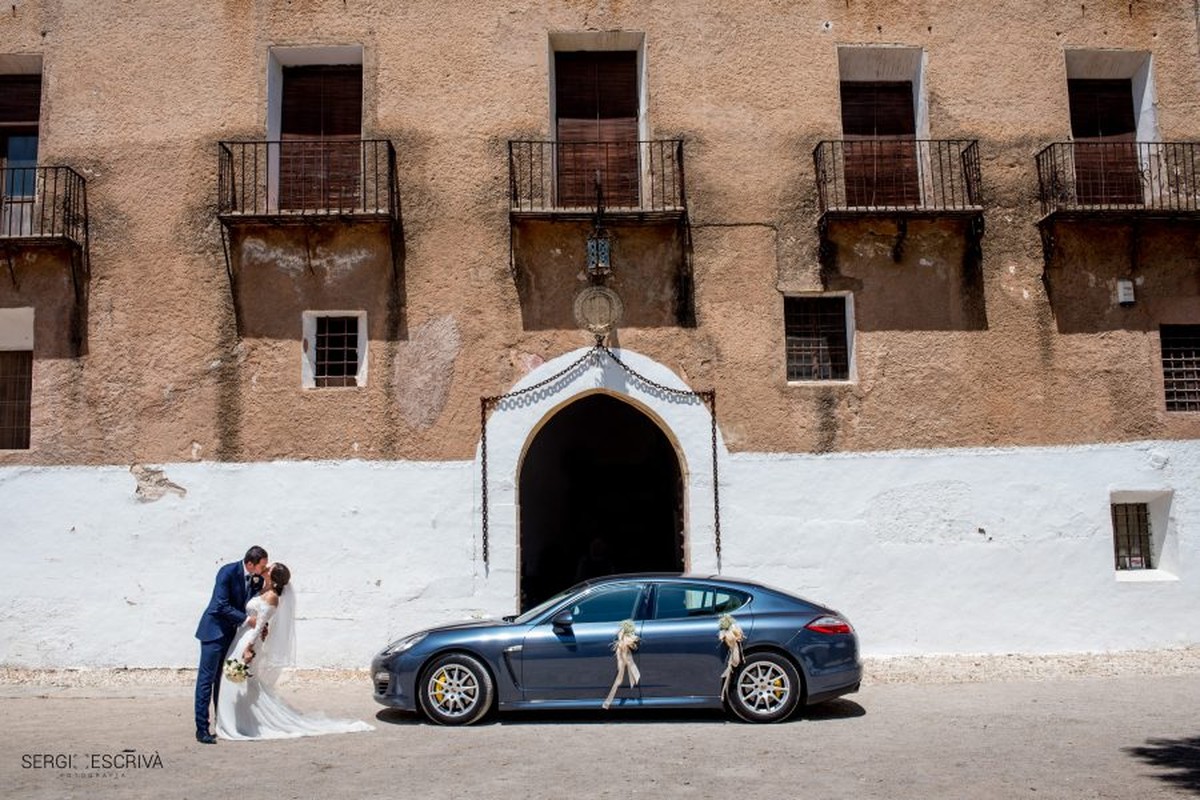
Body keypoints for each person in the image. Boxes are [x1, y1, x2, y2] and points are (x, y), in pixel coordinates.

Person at [215, 562, 373, 740]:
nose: (266, 567)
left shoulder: (272, 597)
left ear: (274, 578)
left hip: (249, 640)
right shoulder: (263, 588)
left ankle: (243, 723)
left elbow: (260, 625)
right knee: (236, 680)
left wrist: (249, 648)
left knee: (241, 679)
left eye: (269, 568)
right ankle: (235, 720)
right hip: (243, 635)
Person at [194, 545, 269, 744]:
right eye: (262, 566)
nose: (264, 570)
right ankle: (202, 729)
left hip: (230, 634)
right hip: (213, 632)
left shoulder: (255, 579)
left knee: (222, 680)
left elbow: (254, 606)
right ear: (250, 564)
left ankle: (222, 723)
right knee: (206, 680)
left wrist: (262, 624)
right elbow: (221, 605)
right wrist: (249, 621)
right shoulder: (227, 572)